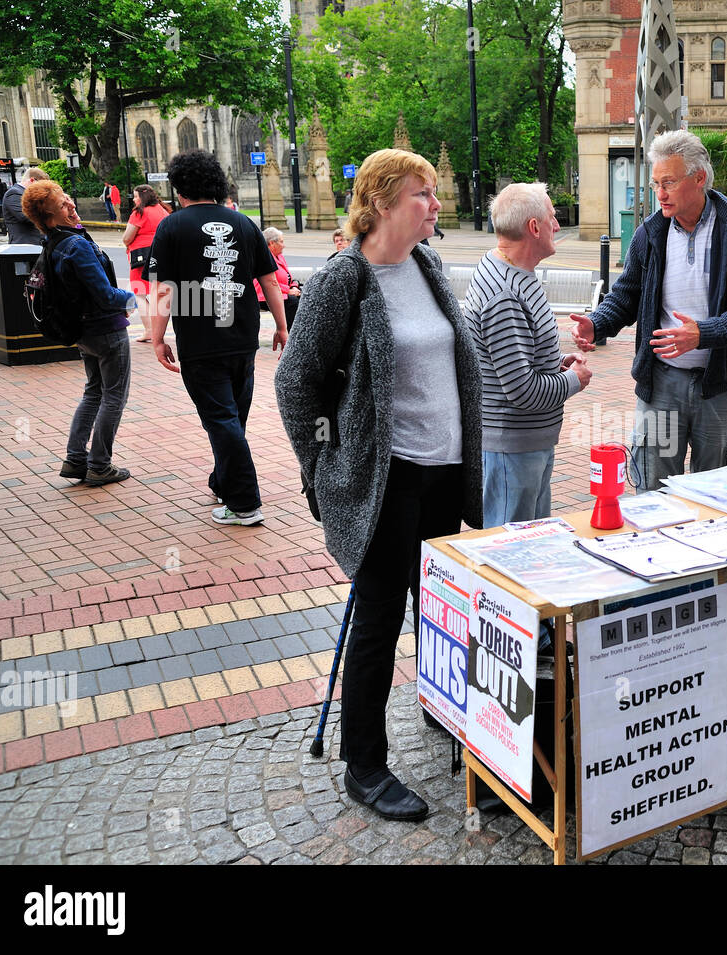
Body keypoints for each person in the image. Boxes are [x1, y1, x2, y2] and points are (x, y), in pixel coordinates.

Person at [275, 148, 482, 822]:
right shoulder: (345, 277)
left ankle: (442, 706)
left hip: (442, 470)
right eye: (422, 193)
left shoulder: (427, 265)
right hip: (384, 478)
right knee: (378, 615)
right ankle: (364, 763)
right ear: (385, 201)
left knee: (440, 605)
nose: (436, 203)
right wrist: (324, 468)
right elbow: (294, 380)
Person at [570, 129, 727, 490]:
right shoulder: (651, 233)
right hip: (661, 381)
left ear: (699, 179)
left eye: (669, 183)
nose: (659, 193)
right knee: (652, 492)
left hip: (719, 384)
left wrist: (702, 334)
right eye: (655, 183)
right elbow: (626, 295)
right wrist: (596, 324)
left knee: (717, 491)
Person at [146, 149, 288, 525]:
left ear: (179, 188)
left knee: (221, 419)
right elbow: (270, 279)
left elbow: (163, 290)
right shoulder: (243, 223)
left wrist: (157, 337)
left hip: (200, 340)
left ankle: (243, 503)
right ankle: (223, 480)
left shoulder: (172, 227)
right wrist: (281, 325)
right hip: (243, 336)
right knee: (232, 417)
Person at [466, 182, 591, 528]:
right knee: (509, 552)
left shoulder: (511, 272)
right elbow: (521, 391)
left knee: (530, 542)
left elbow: (513, 359)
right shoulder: (504, 294)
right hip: (512, 448)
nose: (558, 226)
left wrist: (556, 363)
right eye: (552, 217)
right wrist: (573, 380)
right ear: (533, 228)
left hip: (524, 444)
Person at [22, 179, 136, 486]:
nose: (71, 205)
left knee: (94, 392)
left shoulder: (55, 241)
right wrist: (134, 299)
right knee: (114, 396)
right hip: (106, 330)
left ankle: (75, 459)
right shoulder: (76, 245)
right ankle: (100, 465)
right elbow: (104, 294)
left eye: (67, 199)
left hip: (83, 332)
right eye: (62, 205)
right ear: (49, 218)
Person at [122, 184, 171, 342]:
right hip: (160, 254)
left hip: (140, 257)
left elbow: (127, 237)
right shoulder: (163, 211)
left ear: (142, 197)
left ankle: (149, 330)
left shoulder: (139, 212)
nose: (134, 199)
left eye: (136, 196)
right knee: (156, 293)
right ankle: (158, 331)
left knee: (140, 293)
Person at [255, 227, 301, 332]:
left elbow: (288, 277)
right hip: (265, 296)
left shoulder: (279, 256)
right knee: (292, 302)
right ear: (271, 243)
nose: (284, 245)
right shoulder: (263, 258)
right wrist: (288, 291)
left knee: (303, 297)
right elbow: (264, 284)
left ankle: (299, 333)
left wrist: (294, 286)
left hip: (281, 293)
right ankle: (289, 335)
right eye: (281, 242)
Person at [4, 167, 51, 245]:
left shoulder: (30, 194)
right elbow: (25, 217)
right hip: (24, 245)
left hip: (37, 243)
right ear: (32, 180)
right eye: (40, 185)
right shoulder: (14, 193)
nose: (42, 189)